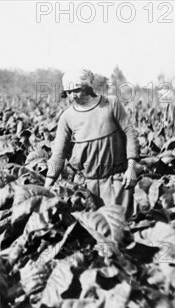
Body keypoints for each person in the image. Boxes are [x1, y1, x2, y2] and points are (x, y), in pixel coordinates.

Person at [44, 68, 139, 217]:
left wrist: (132, 167)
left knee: (121, 230)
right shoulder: (67, 117)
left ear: (87, 87)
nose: (72, 96)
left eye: (76, 90)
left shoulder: (110, 104)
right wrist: (46, 188)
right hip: (87, 187)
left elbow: (129, 132)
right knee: (93, 231)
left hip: (117, 181)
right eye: (68, 92)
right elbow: (58, 154)